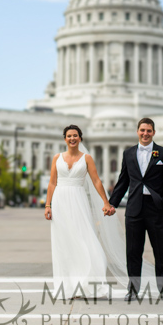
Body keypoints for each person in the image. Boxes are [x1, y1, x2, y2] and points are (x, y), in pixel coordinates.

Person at [108, 117, 163, 302]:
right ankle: (133, 289)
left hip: (155, 208)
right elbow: (123, 182)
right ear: (137, 131)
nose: (145, 134)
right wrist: (112, 203)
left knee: (160, 251)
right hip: (134, 208)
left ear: (153, 132)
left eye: (149, 131)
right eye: (142, 130)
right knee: (133, 251)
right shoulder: (128, 153)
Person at [44, 124, 114, 299]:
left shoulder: (87, 158)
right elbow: (52, 183)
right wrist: (47, 205)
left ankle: (88, 282)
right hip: (60, 202)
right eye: (69, 136)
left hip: (78, 200)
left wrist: (106, 202)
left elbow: (97, 181)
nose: (72, 138)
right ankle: (69, 286)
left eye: (75, 135)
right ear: (65, 139)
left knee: (84, 239)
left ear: (80, 138)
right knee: (64, 243)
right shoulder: (57, 158)